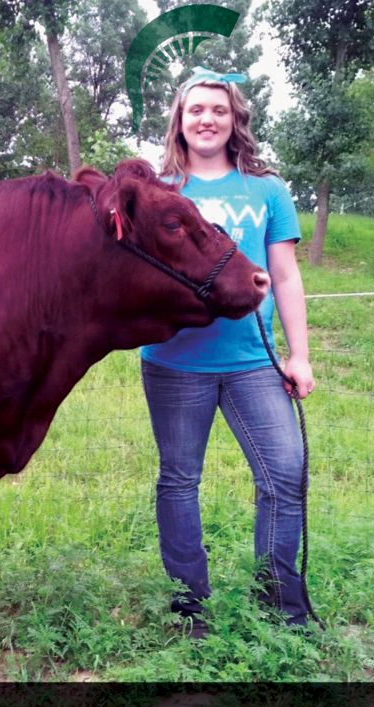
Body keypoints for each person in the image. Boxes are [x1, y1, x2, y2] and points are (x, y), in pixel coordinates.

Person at [141, 67, 315, 635]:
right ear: (180, 120)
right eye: (196, 110)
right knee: (179, 481)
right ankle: (189, 607)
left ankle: (280, 607)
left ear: (235, 118)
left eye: (218, 109)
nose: (207, 119)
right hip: (175, 363)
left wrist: (300, 355)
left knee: (285, 475)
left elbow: (286, 276)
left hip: (253, 363)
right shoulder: (160, 191)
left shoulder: (266, 189)